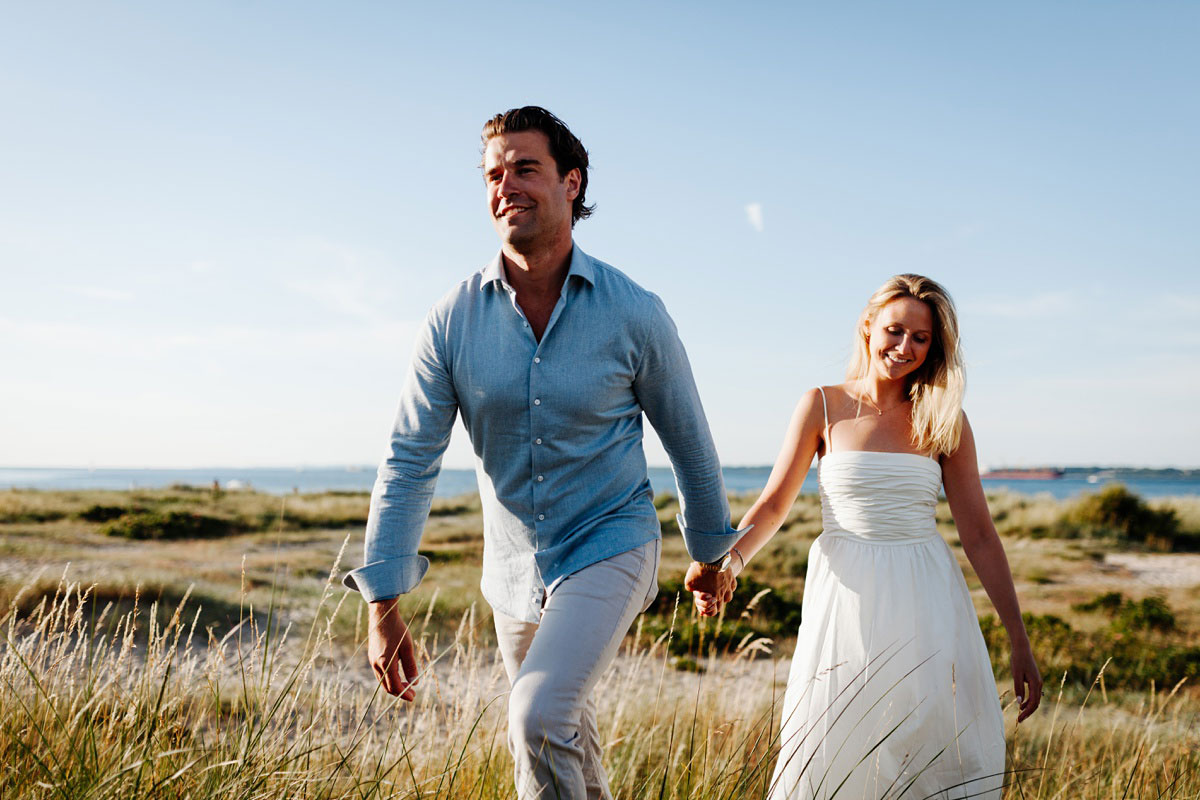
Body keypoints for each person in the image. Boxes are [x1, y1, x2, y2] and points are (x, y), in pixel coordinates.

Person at [343, 106, 746, 800]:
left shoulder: (635, 312)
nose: (506, 186)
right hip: (510, 571)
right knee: (561, 735)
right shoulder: (451, 321)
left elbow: (689, 441)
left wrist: (713, 554)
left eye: (525, 168)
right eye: (493, 174)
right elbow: (410, 460)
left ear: (571, 181)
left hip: (610, 541)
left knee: (536, 716)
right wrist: (383, 601)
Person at [687, 274, 1041, 799]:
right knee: (836, 744)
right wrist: (728, 566)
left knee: (925, 748)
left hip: (925, 598)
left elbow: (981, 535)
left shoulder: (945, 418)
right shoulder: (822, 405)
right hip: (843, 597)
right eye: (895, 331)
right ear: (868, 327)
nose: (904, 348)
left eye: (921, 338)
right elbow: (774, 504)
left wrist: (1018, 638)